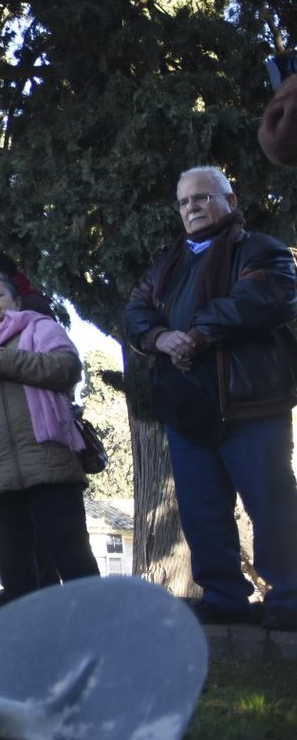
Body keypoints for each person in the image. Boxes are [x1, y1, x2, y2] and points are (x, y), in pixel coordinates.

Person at [123, 165, 297, 630]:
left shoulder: (261, 248)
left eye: (202, 197)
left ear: (230, 201)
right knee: (202, 512)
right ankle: (223, 599)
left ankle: (289, 599)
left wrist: (197, 335)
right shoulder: (166, 263)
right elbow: (136, 311)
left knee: (272, 504)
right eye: (183, 202)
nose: (192, 208)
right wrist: (161, 338)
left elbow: (263, 297)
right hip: (188, 409)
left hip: (250, 403)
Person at [0, 270, 98, 606]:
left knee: (71, 553)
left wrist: (6, 361)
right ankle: (29, 643)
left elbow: (66, 369)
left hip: (48, 458)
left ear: (16, 300)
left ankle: (95, 631)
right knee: (15, 566)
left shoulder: (41, 328)